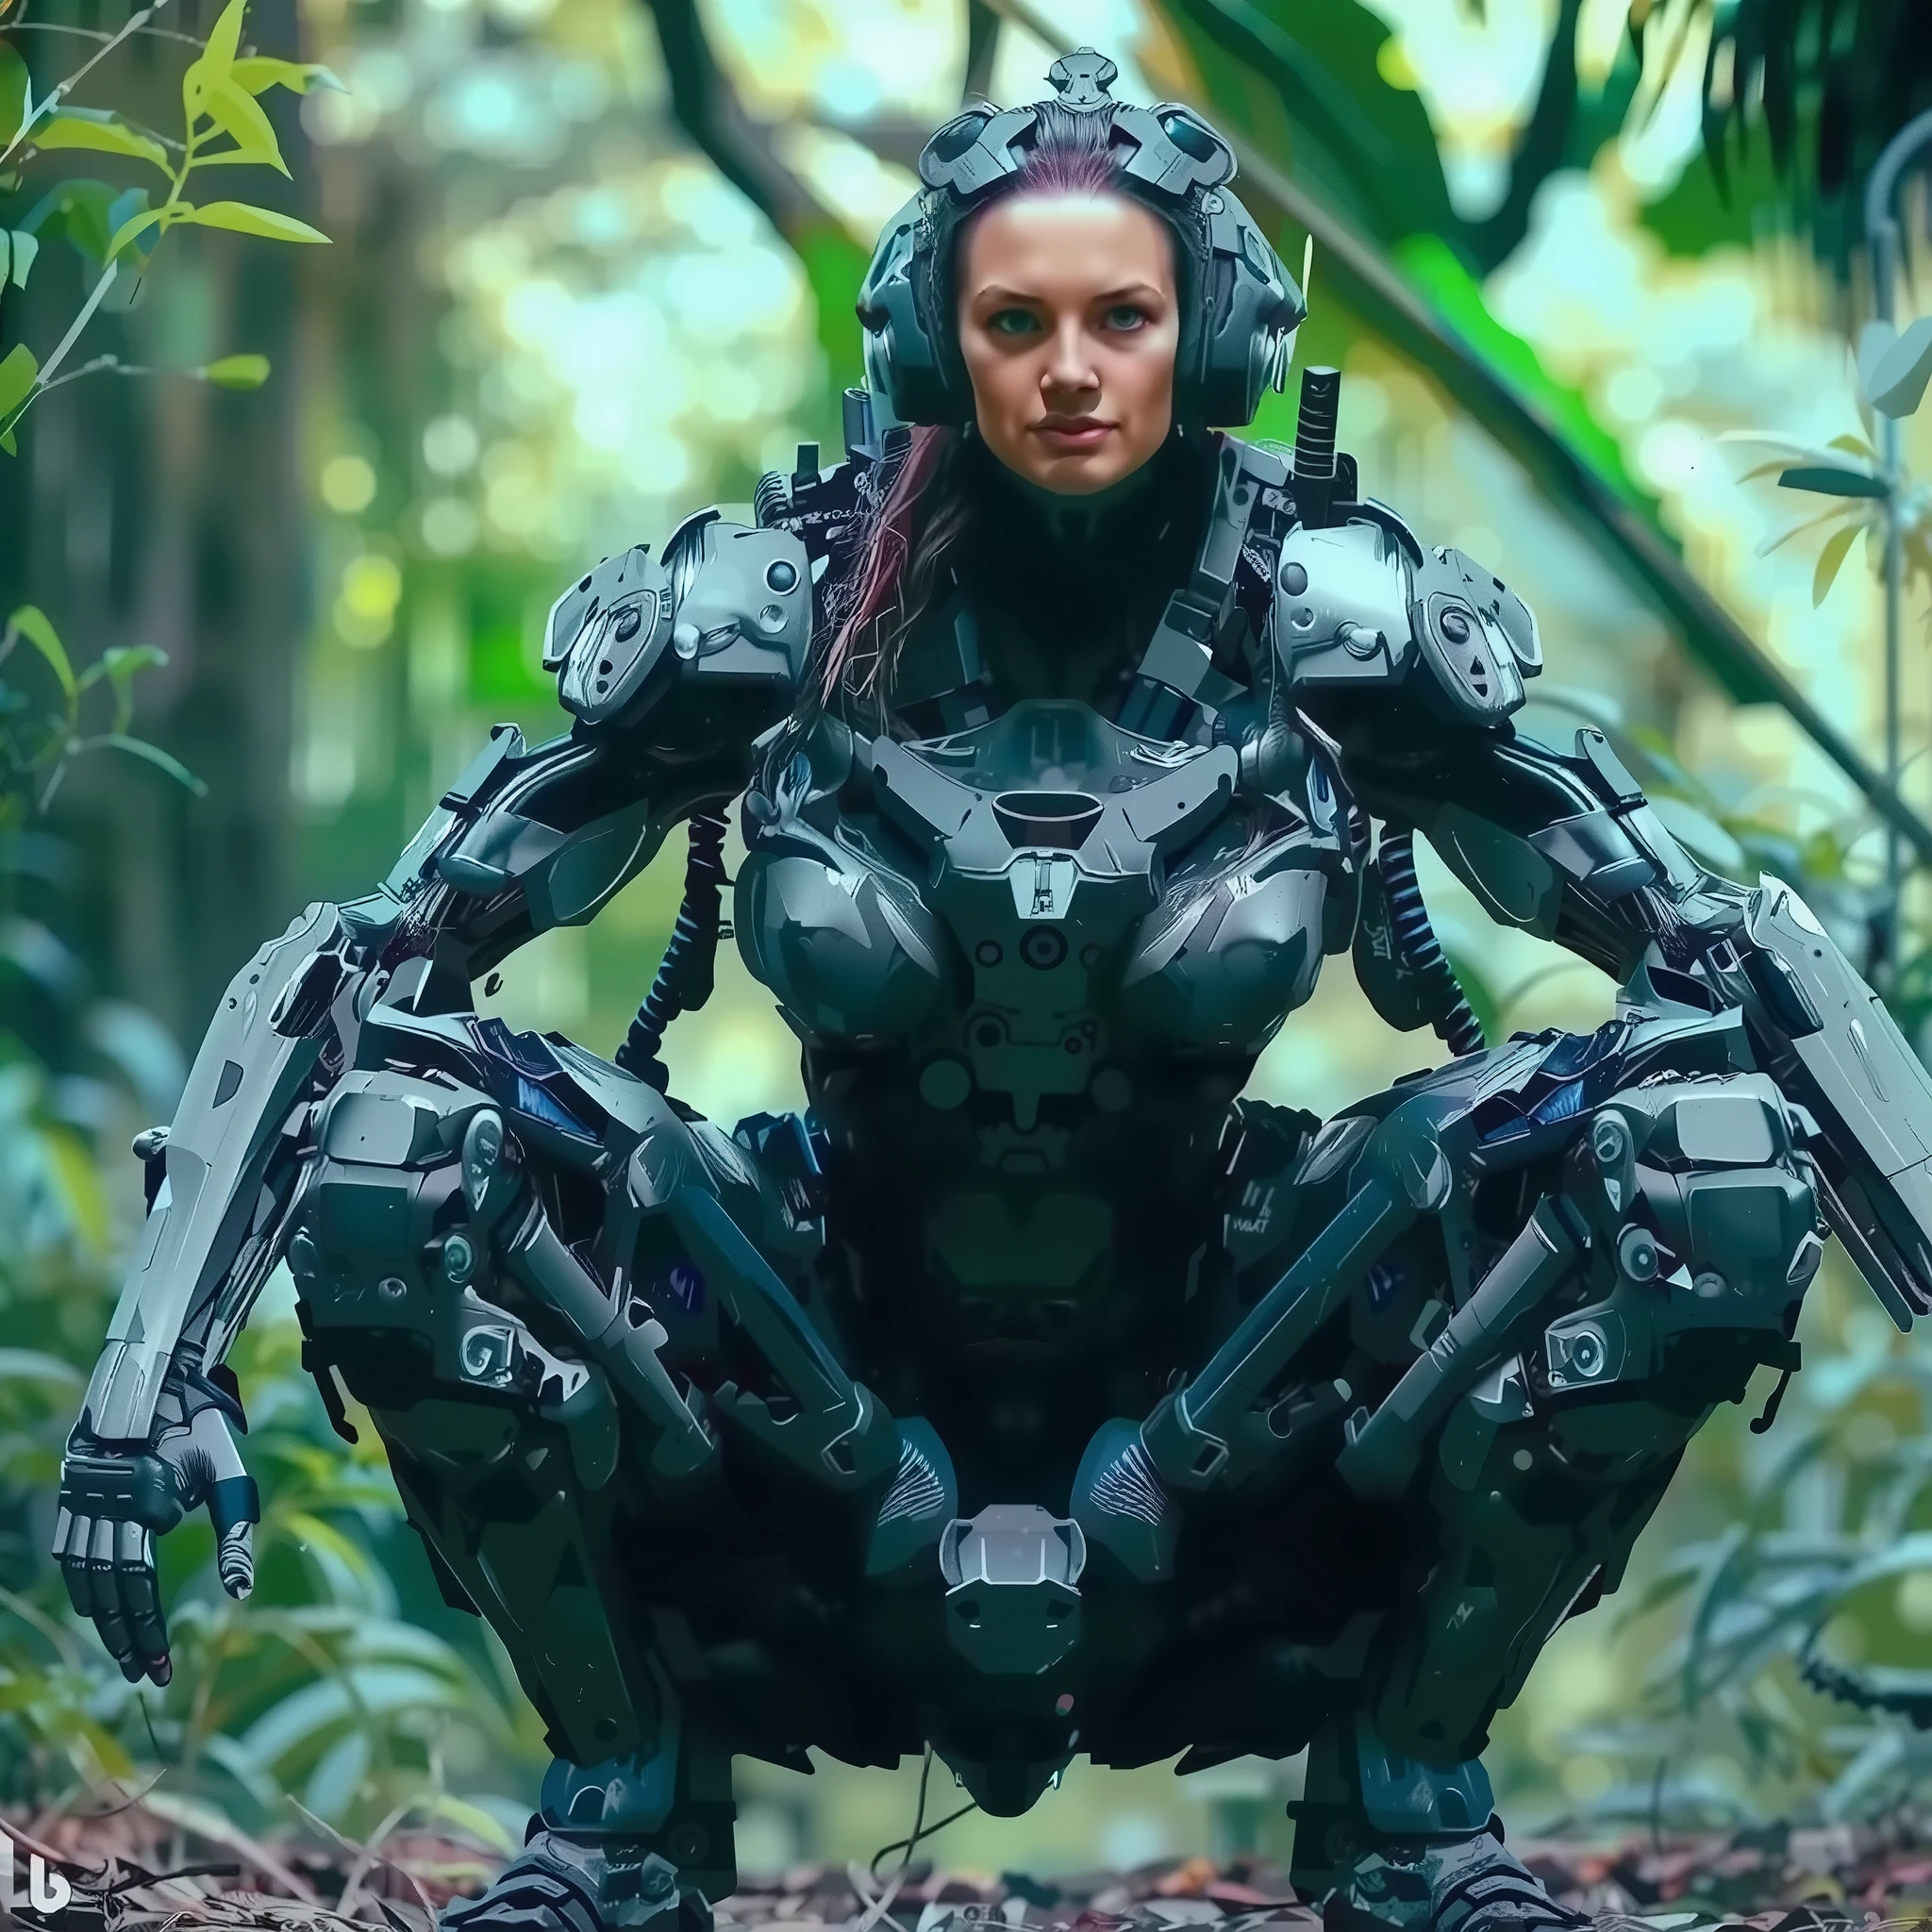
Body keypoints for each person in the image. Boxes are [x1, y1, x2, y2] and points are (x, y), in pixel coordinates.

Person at [49, 48, 1932, 1932]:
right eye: (1013, 319)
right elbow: (363, 965)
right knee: (403, 1132)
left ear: (1204, 337)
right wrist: (150, 1375)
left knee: (1696, 1139)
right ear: (938, 344)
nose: (1069, 367)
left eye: (1123, 316)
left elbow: (1717, 950)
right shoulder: (778, 606)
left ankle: (1413, 1801)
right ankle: (615, 1806)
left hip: (1246, 1377)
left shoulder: (1339, 614)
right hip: (803, 1373)